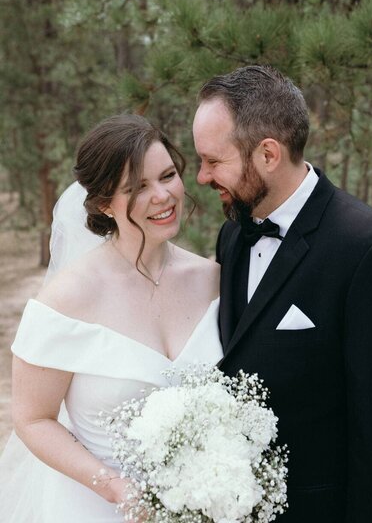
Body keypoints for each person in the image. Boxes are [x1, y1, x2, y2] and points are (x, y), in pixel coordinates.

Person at [192, 64, 372, 523]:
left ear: (268, 154)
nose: (202, 178)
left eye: (213, 161)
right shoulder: (233, 235)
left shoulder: (368, 250)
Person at [0, 114, 222, 523]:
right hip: (99, 508)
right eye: (137, 187)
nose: (163, 195)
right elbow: (32, 418)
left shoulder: (214, 281)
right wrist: (114, 487)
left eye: (168, 175)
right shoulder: (66, 299)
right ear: (104, 203)